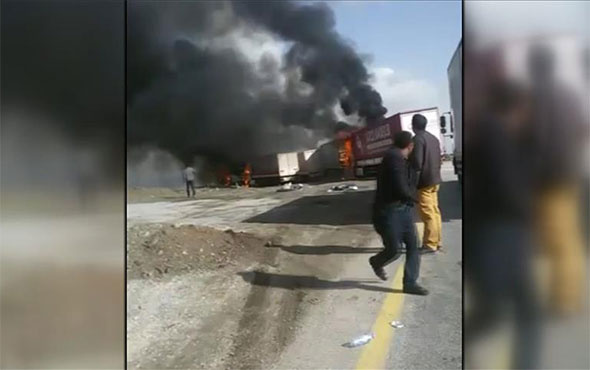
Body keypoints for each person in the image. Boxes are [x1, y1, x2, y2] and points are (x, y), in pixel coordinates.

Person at [369, 131, 428, 296]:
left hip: (403, 209)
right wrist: (415, 199)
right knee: (394, 249)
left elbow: (409, 181)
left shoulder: (401, 159)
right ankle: (376, 261)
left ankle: (410, 283)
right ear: (410, 146)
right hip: (390, 211)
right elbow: (400, 187)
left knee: (413, 246)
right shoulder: (393, 158)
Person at [409, 114, 443, 254]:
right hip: (435, 180)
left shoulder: (418, 139)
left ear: (413, 125)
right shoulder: (433, 138)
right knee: (435, 212)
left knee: (428, 214)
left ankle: (430, 244)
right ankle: (437, 241)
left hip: (425, 181)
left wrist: (412, 182)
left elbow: (417, 162)